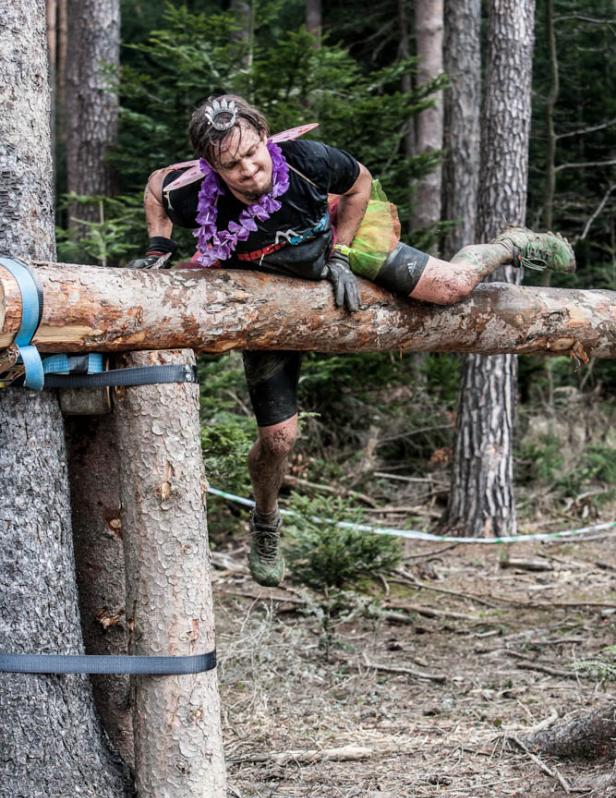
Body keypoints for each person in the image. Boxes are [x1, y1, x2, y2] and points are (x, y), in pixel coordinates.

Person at [130, 94, 575, 587]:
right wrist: (159, 246)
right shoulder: (193, 192)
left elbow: (360, 183)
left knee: (451, 287)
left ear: (266, 138)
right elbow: (155, 188)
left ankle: (507, 246)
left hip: (336, 246)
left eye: (253, 152)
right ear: (212, 166)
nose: (249, 170)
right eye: (232, 165)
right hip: (262, 293)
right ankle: (266, 519)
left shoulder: (308, 161)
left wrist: (341, 255)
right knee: (278, 439)